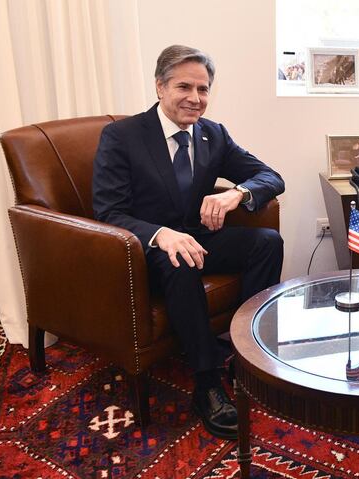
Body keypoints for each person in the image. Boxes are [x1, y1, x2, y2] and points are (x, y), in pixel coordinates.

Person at [93, 45, 285, 441]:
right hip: (143, 250)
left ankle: (245, 355)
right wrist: (161, 235)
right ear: (160, 86)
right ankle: (207, 383)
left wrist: (237, 194)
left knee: (267, 241)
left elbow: (270, 176)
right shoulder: (122, 136)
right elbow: (108, 211)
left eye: (203, 89)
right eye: (184, 86)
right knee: (179, 260)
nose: (195, 98)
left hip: (197, 239)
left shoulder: (213, 134)